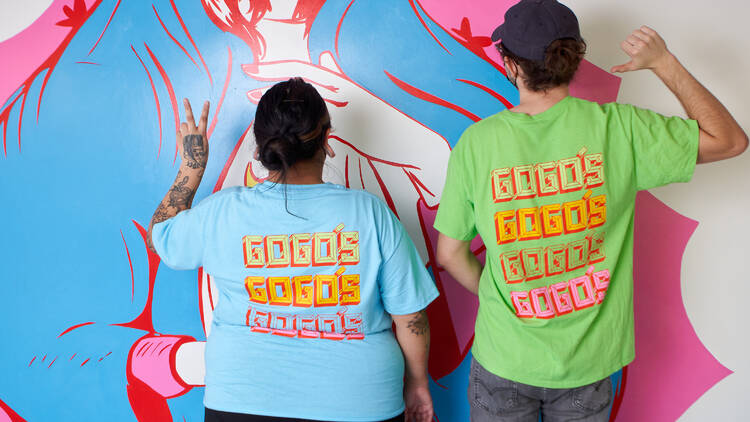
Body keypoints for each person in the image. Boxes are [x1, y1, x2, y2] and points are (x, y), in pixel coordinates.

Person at [433, 0, 748, 421]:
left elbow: (449, 254)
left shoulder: (476, 143)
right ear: (574, 57)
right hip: (588, 364)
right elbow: (729, 140)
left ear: (509, 62)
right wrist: (664, 63)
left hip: (504, 358)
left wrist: (499, 298)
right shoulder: (619, 129)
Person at [147, 78, 438, 422]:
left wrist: (192, 165)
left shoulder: (222, 211)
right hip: (360, 402)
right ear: (327, 140)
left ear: (259, 149)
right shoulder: (370, 213)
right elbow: (411, 317)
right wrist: (418, 383)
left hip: (242, 401)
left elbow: (161, 237)